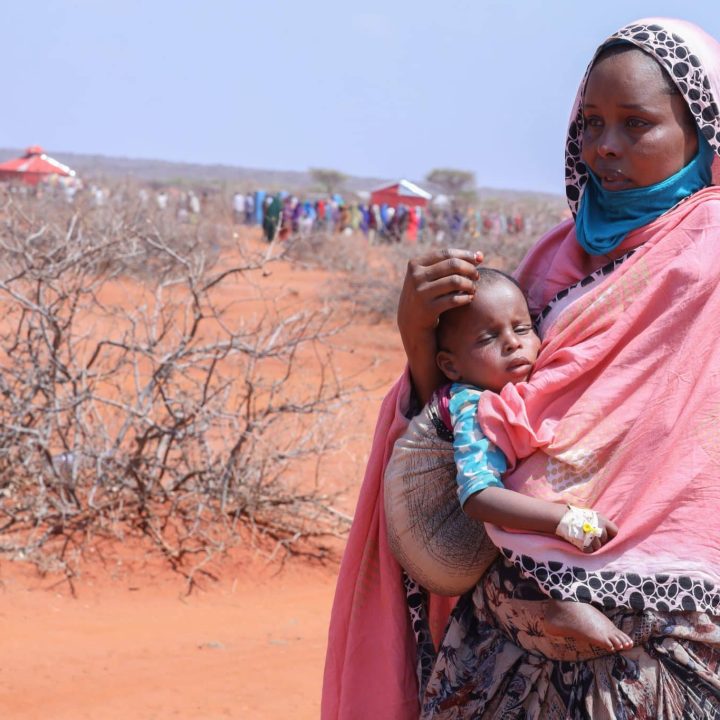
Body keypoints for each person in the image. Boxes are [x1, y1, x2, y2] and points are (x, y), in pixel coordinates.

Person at [323, 17, 720, 720]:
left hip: (656, 643)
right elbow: (469, 417)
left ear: (700, 130)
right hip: (503, 644)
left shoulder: (708, 254)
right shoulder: (551, 257)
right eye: (592, 121)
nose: (604, 146)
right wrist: (420, 341)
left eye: (637, 124)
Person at [432, 267, 632, 651]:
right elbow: (478, 496)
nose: (512, 344)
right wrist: (564, 520)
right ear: (451, 365)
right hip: (517, 538)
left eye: (522, 329)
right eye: (489, 337)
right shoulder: (474, 407)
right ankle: (552, 606)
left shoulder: (529, 383)